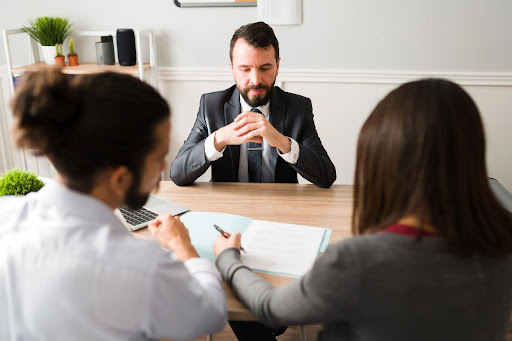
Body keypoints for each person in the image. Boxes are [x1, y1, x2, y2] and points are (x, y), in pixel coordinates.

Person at [212, 79, 512, 341]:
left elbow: (269, 307)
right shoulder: (501, 247)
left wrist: (228, 258)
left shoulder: (358, 260)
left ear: (383, 161)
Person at [0, 68, 227, 340]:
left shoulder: (6, 214)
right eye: (158, 158)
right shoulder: (141, 269)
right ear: (120, 178)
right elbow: (210, 314)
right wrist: (183, 246)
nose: (165, 167)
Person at [170, 22, 336, 188]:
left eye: (265, 68)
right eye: (245, 69)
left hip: (281, 206)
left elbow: (326, 176)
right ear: (232, 68)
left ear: (277, 66)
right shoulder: (211, 106)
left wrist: (282, 142)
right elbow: (178, 174)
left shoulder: (298, 108)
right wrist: (219, 139)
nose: (255, 80)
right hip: (228, 207)